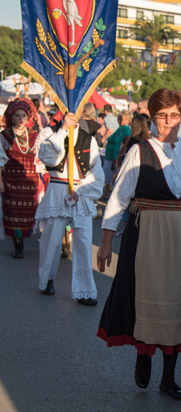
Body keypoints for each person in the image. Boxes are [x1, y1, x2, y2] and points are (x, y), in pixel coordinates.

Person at [97, 89, 181, 400]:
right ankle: (144, 357)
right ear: (153, 118)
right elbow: (118, 197)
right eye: (162, 115)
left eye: (174, 115)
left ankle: (168, 378)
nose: (168, 121)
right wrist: (105, 243)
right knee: (149, 297)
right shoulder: (140, 151)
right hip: (150, 237)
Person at [36, 111, 104, 303]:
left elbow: (97, 173)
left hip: (80, 193)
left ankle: (85, 290)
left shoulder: (88, 140)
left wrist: (82, 189)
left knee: (83, 241)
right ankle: (47, 279)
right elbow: (48, 158)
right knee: (51, 240)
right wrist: (63, 130)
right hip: (57, 191)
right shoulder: (49, 134)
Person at [0, 99, 42, 258]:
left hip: (30, 180)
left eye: (23, 115)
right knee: (12, 213)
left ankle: (23, 241)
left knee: (28, 213)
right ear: (12, 117)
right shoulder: (4, 136)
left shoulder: (35, 136)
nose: (20, 118)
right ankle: (18, 247)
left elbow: (40, 159)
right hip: (12, 180)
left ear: (28, 117)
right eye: (17, 115)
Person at [103, 112, 132, 191]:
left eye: (120, 118)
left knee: (114, 177)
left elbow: (127, 141)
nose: (118, 120)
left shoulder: (125, 128)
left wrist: (118, 156)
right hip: (113, 156)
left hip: (116, 157)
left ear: (126, 119)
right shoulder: (121, 128)